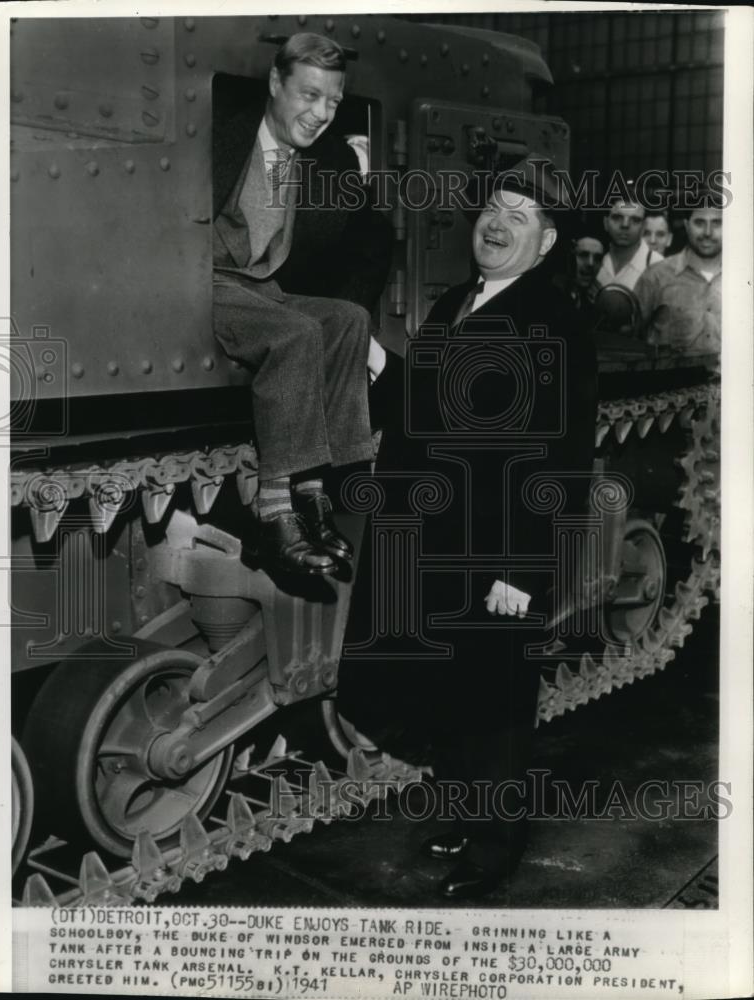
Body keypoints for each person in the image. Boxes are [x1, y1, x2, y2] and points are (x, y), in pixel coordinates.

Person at [339, 160, 598, 900]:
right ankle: (461, 816)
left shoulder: (553, 323)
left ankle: (493, 851)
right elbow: (421, 411)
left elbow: (561, 457)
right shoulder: (459, 300)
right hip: (430, 539)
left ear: (544, 242)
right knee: (449, 692)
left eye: (519, 216)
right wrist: (376, 358)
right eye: (493, 206)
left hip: (493, 549)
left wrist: (520, 569)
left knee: (492, 706)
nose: (496, 222)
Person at [212, 33, 392, 575]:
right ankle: (274, 512)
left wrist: (348, 317)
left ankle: (313, 491)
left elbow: (372, 235)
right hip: (207, 282)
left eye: (333, 102)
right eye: (309, 96)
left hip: (267, 291)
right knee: (296, 334)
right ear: (275, 83)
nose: (320, 114)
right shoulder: (221, 137)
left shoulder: (332, 157)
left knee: (346, 320)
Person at [633, 195, 722, 359]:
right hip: (670, 383)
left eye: (717, 223)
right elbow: (629, 343)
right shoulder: (655, 277)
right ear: (687, 226)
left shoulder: (744, 278)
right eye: (699, 223)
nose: (708, 232)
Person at [597, 198, 662, 290]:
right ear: (606, 223)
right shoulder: (593, 259)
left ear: (644, 227)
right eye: (617, 218)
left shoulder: (657, 265)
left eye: (635, 220)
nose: (625, 225)